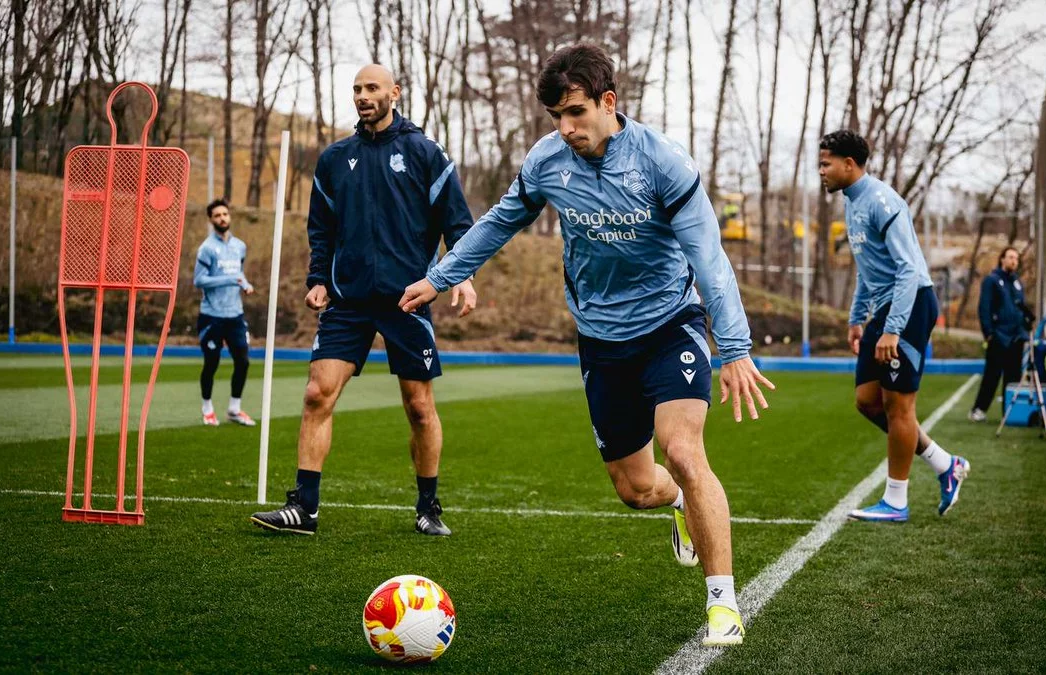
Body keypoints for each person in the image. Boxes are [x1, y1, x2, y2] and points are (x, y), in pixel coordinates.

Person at [399, 44, 774, 646]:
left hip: (670, 323)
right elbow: (499, 222)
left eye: (575, 112)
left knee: (683, 450)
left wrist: (733, 347)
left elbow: (709, 257)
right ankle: (679, 502)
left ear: (608, 101)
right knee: (636, 490)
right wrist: (441, 277)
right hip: (600, 338)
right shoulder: (548, 160)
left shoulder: (662, 162)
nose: (566, 127)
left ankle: (723, 605)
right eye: (556, 117)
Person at [250, 64, 477, 536]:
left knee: (419, 407)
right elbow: (321, 228)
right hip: (348, 300)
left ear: (395, 93)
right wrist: (318, 278)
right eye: (357, 89)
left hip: (407, 298)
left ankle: (428, 507)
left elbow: (457, 220)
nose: (362, 96)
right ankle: (305, 508)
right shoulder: (335, 159)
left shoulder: (425, 152)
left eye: (372, 88)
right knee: (317, 394)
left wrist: (462, 275)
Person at [817, 129, 969, 523]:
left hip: (911, 304)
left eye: (826, 164)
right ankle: (945, 464)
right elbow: (868, 269)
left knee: (898, 406)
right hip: (884, 309)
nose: (821, 171)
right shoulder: (851, 202)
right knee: (867, 401)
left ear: (849, 164)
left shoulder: (883, 201)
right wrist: (856, 318)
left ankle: (896, 501)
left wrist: (893, 329)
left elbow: (907, 270)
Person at [193, 198, 256, 427]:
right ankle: (207, 409)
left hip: (235, 315)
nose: (222, 218)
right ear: (211, 220)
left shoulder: (239, 246)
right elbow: (199, 280)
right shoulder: (207, 249)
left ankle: (234, 409)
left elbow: (239, 273)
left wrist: (245, 284)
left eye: (225, 214)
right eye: (217, 215)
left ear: (230, 216)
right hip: (212, 316)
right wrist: (229, 279)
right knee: (212, 363)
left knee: (243, 362)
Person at [969, 247, 1029, 421]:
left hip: (1016, 336)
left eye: (1016, 258)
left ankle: (1009, 412)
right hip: (999, 335)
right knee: (992, 375)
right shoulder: (992, 280)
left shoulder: (1017, 282)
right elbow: (984, 307)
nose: (1013, 261)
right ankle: (979, 409)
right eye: (1010, 257)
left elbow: (1020, 306)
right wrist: (989, 332)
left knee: (1013, 376)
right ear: (1002, 259)